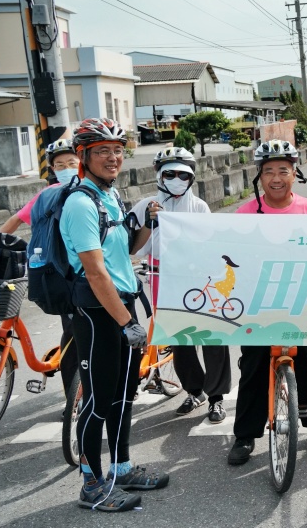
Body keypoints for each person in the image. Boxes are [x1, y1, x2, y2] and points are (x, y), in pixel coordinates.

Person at [64, 118, 166, 512]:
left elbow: (127, 253)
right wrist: (126, 322)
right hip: (98, 313)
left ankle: (120, 467)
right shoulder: (80, 202)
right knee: (98, 400)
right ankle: (91, 484)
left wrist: (146, 223)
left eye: (117, 150)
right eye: (102, 150)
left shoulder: (110, 195)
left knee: (123, 396)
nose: (113, 157)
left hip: (122, 304)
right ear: (84, 156)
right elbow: (94, 270)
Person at [227, 140, 307, 466]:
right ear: (259, 177)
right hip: (258, 304)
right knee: (252, 367)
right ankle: (245, 435)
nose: (276, 178)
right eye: (268, 172)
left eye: (283, 171)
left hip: (302, 303)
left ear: (295, 173)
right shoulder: (245, 213)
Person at [130, 147, 231, 424]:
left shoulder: (198, 207)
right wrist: (149, 224)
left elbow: (209, 242)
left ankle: (216, 398)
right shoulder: (145, 206)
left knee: (211, 339)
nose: (176, 179)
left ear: (191, 177)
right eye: (170, 174)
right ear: (159, 175)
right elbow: (134, 249)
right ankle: (195, 391)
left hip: (197, 279)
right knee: (180, 342)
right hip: (163, 279)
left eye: (182, 174)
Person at [0, 138, 81, 399]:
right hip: (62, 273)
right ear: (53, 170)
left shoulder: (90, 190)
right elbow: (15, 220)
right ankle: (73, 397)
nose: (66, 168)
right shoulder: (47, 195)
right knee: (73, 333)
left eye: (72, 162)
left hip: (88, 270)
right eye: (60, 164)